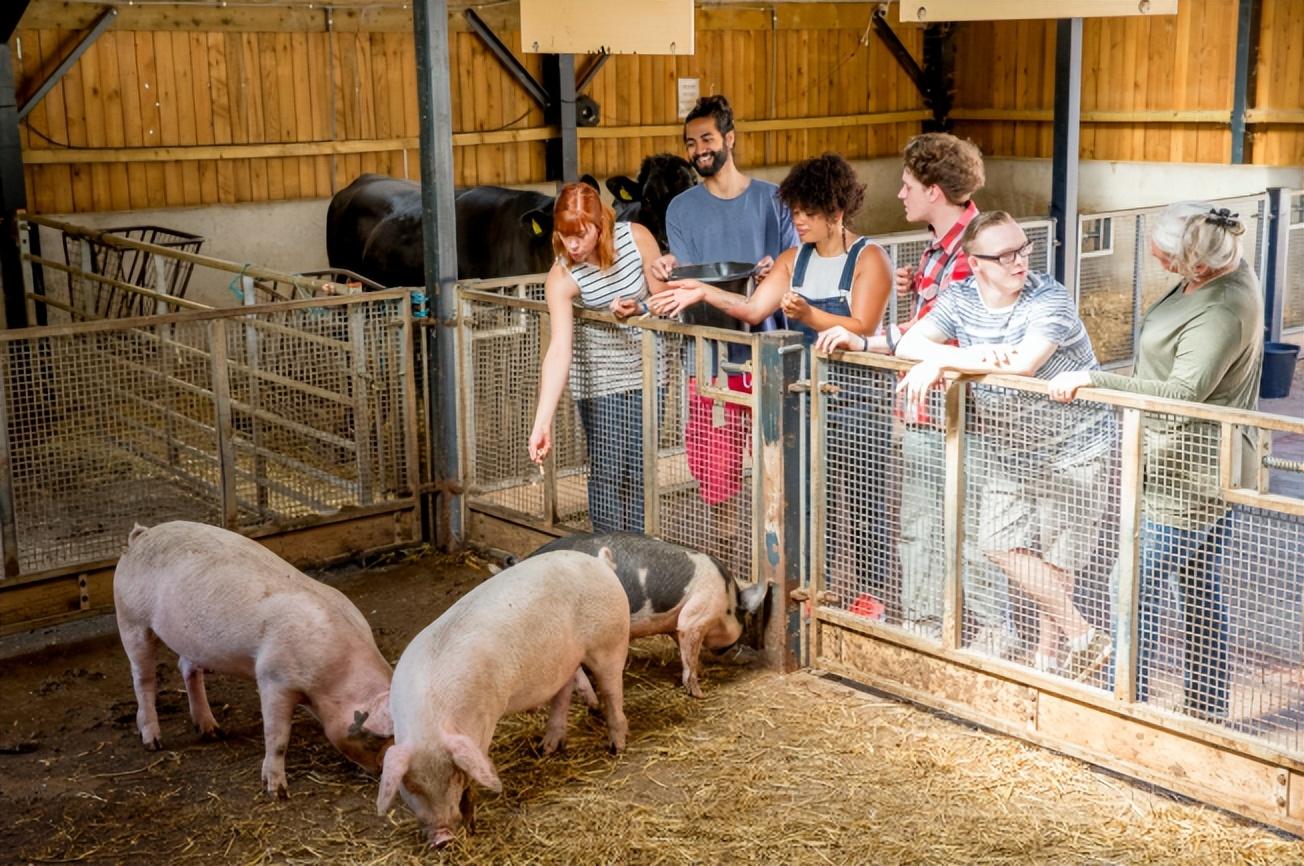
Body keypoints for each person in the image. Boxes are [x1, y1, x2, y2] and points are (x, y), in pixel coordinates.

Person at [1048, 204, 1264, 720]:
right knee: (1197, 588)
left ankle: (1126, 704)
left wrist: (1096, 379)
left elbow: (1181, 391)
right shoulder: (1219, 269)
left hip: (1190, 474)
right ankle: (1206, 706)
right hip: (1170, 459)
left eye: (1165, 256)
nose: (1154, 258)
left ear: (1199, 263)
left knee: (1129, 585)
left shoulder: (1223, 308)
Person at [650, 153, 891, 606]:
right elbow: (754, 309)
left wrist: (811, 315)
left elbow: (864, 326)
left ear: (836, 213)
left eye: (808, 213)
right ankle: (810, 586)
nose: (797, 220)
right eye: (794, 211)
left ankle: (870, 594)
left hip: (854, 398)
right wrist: (703, 290)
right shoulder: (791, 259)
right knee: (801, 499)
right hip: (800, 400)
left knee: (862, 500)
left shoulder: (869, 258)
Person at [896, 211, 1116, 678]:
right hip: (1010, 447)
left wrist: (944, 363)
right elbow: (908, 345)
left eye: (1024, 249)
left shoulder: (1049, 297)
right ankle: (1082, 635)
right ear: (976, 263)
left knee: (1058, 557)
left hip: (1072, 447)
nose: (1021, 262)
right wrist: (959, 357)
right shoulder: (960, 296)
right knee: (997, 545)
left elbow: (1024, 364)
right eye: (1006, 255)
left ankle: (1048, 657)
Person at [644, 94, 799, 536]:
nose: (698, 150)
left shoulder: (775, 201)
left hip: (767, 352)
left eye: (707, 138)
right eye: (690, 143)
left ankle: (776, 557)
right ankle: (725, 557)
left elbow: (792, 263)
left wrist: (777, 269)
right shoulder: (682, 208)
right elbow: (690, 279)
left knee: (778, 461)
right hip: (709, 358)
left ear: (729, 138)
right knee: (717, 474)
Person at [527, 182, 667, 533]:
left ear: (600, 225)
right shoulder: (562, 275)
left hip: (649, 373)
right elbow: (559, 348)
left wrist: (642, 307)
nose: (572, 244)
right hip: (601, 380)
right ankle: (606, 557)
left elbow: (665, 301)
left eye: (581, 235)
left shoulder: (637, 239)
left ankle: (639, 551)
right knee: (607, 468)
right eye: (564, 235)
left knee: (640, 468)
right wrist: (542, 421)